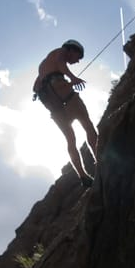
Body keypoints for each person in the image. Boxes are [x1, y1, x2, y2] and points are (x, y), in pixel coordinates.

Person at [32, 39, 98, 187]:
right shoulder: (60, 52)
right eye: (78, 57)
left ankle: (83, 176)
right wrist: (72, 78)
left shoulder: (43, 66)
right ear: (72, 50)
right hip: (63, 92)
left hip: (52, 103)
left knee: (70, 139)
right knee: (87, 125)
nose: (78, 61)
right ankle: (100, 159)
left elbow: (36, 87)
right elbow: (62, 62)